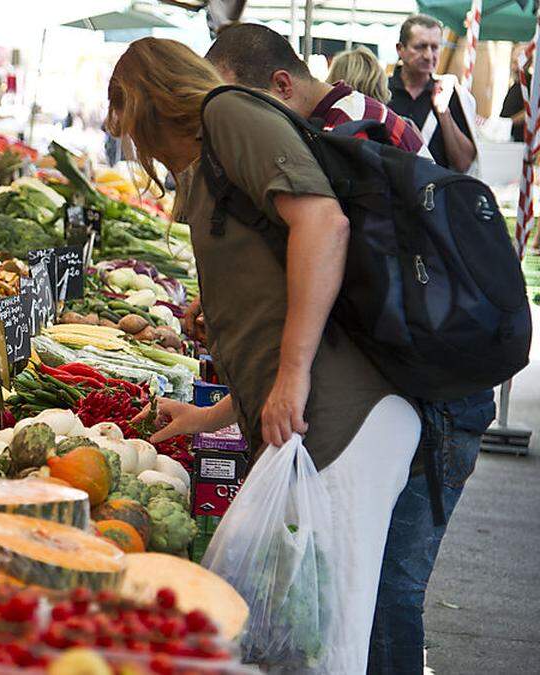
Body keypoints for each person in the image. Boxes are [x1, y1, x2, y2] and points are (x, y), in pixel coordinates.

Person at [108, 38, 420, 671]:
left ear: (145, 102)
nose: (133, 145)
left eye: (126, 122)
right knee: (284, 643)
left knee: (327, 646)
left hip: (344, 426)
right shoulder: (206, 160)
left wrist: (293, 377)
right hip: (312, 427)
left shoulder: (227, 113)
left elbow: (324, 225)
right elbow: (271, 312)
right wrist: (214, 413)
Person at [206, 24, 493, 675]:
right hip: (432, 376)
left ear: (278, 86)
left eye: (237, 110)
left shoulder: (341, 134)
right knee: (372, 591)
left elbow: (341, 258)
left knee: (391, 592)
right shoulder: (348, 122)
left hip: (447, 390)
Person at [205, 23, 424, 154]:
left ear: (282, 85)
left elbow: (343, 225)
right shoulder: (337, 115)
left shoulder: (346, 127)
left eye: (241, 103)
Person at [388, 14, 477, 172]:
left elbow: (464, 164)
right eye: (420, 47)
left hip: (434, 193)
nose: (429, 55)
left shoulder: (451, 93)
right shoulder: (381, 90)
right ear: (400, 49)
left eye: (435, 47)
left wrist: (444, 114)